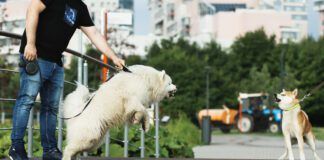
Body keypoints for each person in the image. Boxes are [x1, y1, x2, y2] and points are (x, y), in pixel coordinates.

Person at [9, 0, 125, 159]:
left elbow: (95, 34)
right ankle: (16, 148)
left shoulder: (80, 7)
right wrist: (30, 43)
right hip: (35, 57)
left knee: (51, 108)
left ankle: (49, 150)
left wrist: (114, 57)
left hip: (56, 62)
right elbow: (33, 9)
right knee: (26, 101)